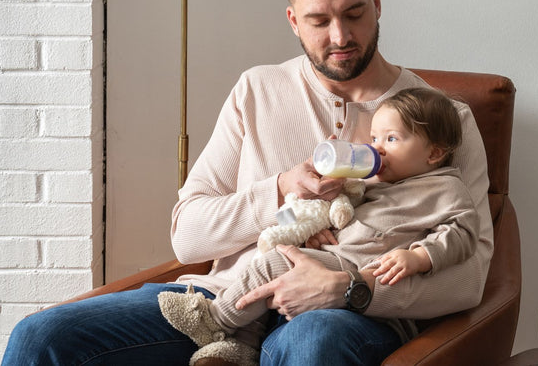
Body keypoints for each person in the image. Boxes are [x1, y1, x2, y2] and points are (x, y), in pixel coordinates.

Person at [2, 0, 493, 365]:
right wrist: (279, 190)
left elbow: (470, 277)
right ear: (293, 21)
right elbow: (187, 234)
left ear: (378, 3)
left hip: (342, 317)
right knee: (38, 337)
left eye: (354, 13)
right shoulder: (257, 91)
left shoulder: (444, 120)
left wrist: (350, 289)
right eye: (319, 21)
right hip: (220, 301)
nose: (340, 36)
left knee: (313, 342)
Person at [158, 87, 481, 365]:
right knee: (273, 263)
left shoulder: (445, 189)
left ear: (435, 153)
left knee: (274, 262)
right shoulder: (374, 184)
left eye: (392, 138)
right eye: (374, 138)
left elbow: (462, 233)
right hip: (333, 258)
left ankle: (214, 320)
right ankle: (240, 346)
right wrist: (327, 195)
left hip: (357, 270)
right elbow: (317, 212)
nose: (377, 148)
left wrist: (421, 256)